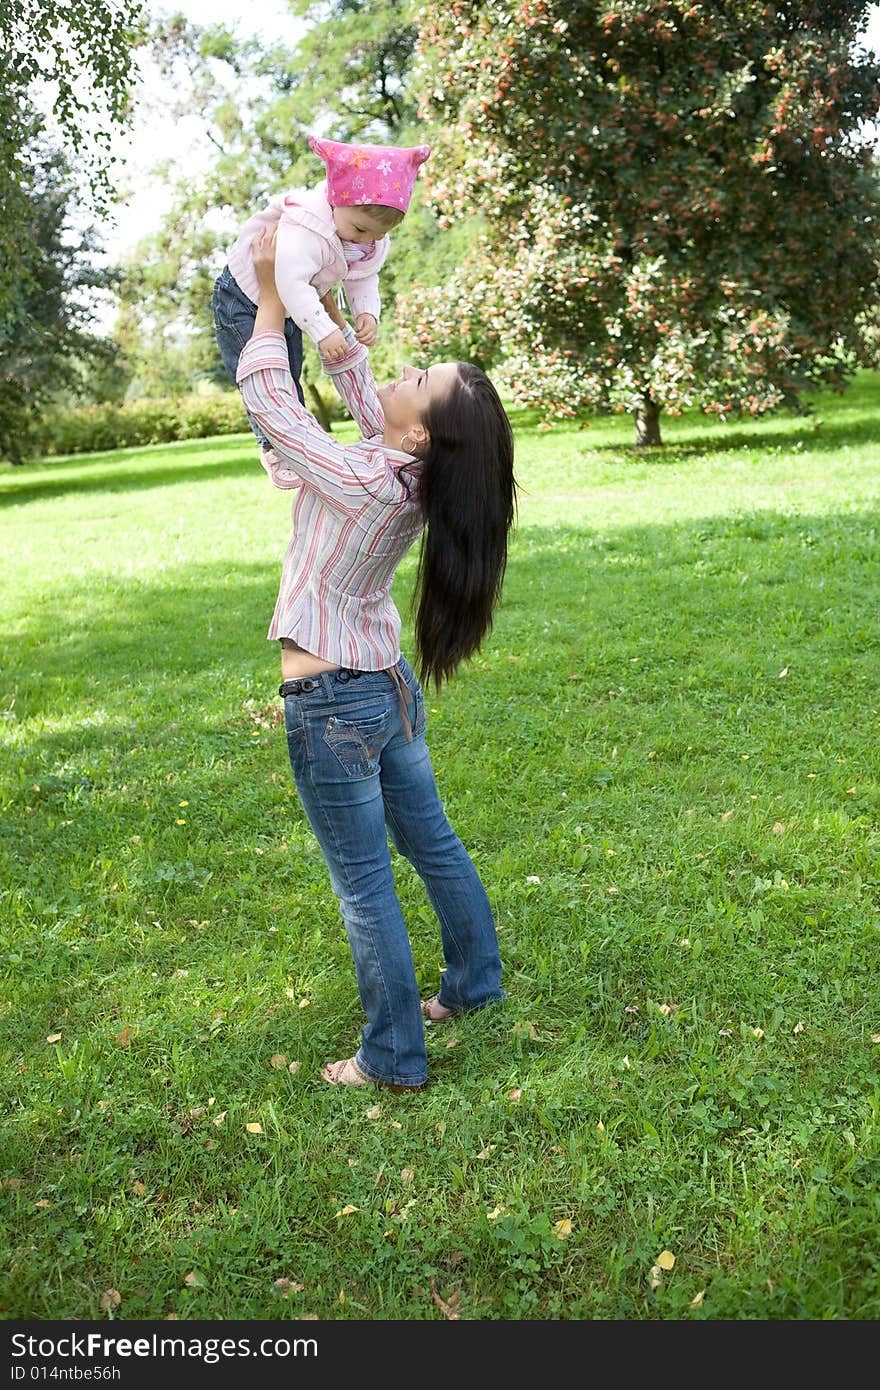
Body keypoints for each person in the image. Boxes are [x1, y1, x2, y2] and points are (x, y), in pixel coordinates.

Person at [235, 224, 517, 1092]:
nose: (405, 371)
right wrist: (337, 331)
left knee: (364, 884)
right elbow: (364, 396)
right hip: (383, 688)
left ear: (425, 434)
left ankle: (393, 1055)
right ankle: (474, 984)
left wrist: (275, 304)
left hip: (332, 705)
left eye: (419, 382)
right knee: (430, 841)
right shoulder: (404, 469)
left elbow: (277, 414)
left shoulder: (366, 476)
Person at [212, 133, 431, 454]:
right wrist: (323, 330)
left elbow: (364, 275)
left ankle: (296, 447)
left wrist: (366, 312)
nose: (366, 241)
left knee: (291, 373)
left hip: (293, 307)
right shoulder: (307, 227)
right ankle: (274, 449)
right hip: (244, 296)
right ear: (335, 201)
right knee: (262, 372)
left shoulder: (364, 236)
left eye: (379, 234)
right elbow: (290, 281)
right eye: (360, 230)